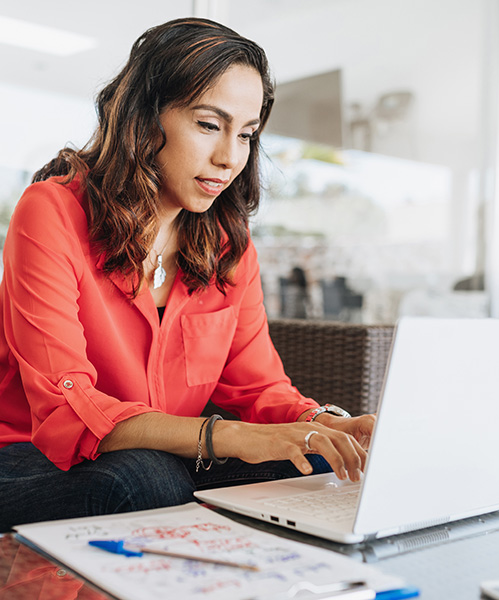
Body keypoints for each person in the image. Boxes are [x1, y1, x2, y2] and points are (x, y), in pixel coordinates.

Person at [0, 17, 375, 532]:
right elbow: (67, 406)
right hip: (31, 457)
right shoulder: (52, 211)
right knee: (148, 478)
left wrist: (325, 425)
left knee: (313, 461)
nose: (229, 158)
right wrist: (228, 438)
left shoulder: (229, 247)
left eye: (245, 135)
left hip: (171, 455)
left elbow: (260, 388)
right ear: (144, 118)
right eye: (207, 125)